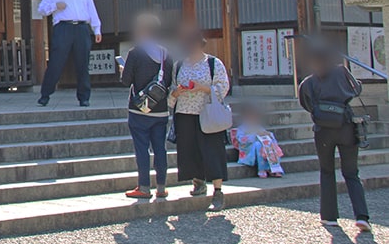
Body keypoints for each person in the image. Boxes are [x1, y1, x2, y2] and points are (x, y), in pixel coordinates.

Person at [298, 44, 371, 232]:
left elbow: (305, 103)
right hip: (346, 126)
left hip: (323, 129)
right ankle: (362, 216)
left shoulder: (308, 82)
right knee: (351, 172)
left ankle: (329, 216)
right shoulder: (342, 72)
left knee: (327, 171)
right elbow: (357, 89)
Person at [168, 27, 230, 211]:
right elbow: (172, 91)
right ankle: (198, 182)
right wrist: (177, 92)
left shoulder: (213, 63)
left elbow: (223, 87)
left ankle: (218, 192)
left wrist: (203, 88)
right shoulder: (179, 64)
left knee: (213, 151)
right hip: (185, 113)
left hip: (208, 113)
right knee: (190, 150)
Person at [120, 13, 173, 199]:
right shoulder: (166, 54)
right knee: (160, 148)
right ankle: (161, 186)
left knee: (142, 148)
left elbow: (126, 81)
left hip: (139, 110)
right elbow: (168, 82)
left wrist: (123, 69)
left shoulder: (135, 53)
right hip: (161, 110)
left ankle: (143, 186)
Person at [37, 0, 102, 107]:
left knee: (83, 63)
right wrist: (55, 6)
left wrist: (96, 28)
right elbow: (41, 9)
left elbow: (91, 9)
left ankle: (84, 97)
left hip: (81, 27)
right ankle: (45, 94)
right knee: (56, 62)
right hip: (63, 27)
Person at [233, 105, 284, 178]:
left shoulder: (258, 127)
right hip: (249, 149)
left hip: (264, 147)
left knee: (271, 144)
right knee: (258, 145)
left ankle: (275, 168)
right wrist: (254, 135)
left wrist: (268, 135)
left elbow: (265, 134)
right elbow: (241, 140)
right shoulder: (242, 128)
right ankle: (262, 168)